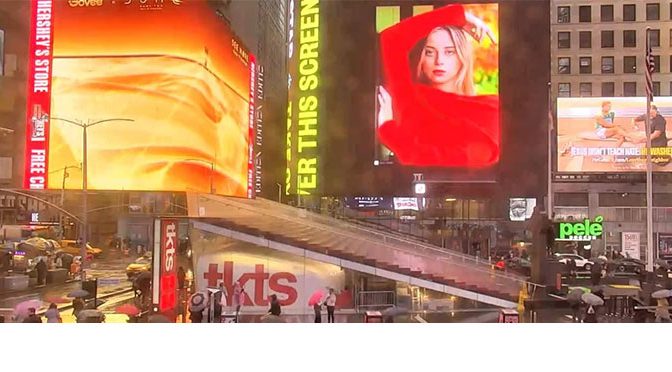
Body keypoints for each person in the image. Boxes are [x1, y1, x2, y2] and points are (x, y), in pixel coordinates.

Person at [377, 4, 499, 168]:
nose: (438, 60)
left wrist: (389, 133)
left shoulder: (491, 107)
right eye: (430, 52)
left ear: (462, 57)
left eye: (449, 52)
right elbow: (391, 39)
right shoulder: (409, 97)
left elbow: (465, 163)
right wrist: (459, 15)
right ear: (422, 57)